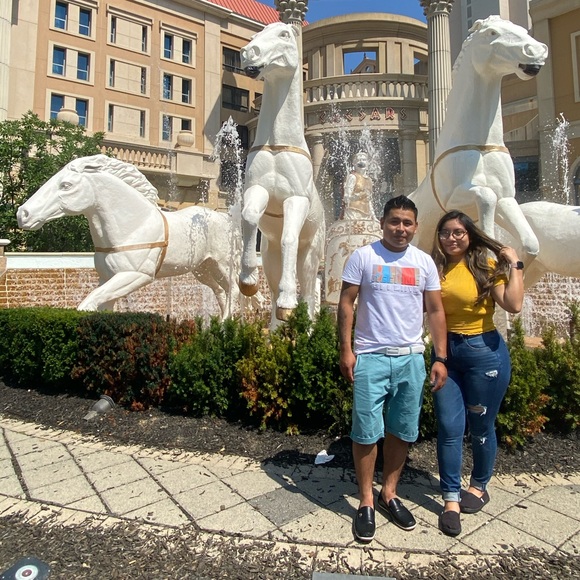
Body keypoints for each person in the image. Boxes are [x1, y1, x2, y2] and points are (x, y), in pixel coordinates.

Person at [338, 195, 448, 543]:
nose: (401, 228)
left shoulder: (424, 262)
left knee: (402, 429)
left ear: (416, 226)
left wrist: (440, 357)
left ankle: (389, 492)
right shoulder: (363, 257)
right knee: (365, 432)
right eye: (395, 221)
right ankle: (366, 500)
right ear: (382, 223)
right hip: (370, 357)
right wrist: (346, 350)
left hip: (411, 358)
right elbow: (346, 302)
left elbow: (435, 311)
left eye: (407, 223)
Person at [431, 210, 524, 537]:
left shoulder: (484, 265)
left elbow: (513, 304)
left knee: (481, 426)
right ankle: (451, 499)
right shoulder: (435, 266)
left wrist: (515, 264)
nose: (451, 238)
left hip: (483, 354)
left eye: (458, 232)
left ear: (470, 235)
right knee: (449, 426)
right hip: (445, 354)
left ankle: (480, 486)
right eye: (445, 232)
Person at [341, 151, 376, 221]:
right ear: (354, 163)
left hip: (366, 213)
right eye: (359, 160)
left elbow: (369, 200)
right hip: (353, 212)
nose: (361, 162)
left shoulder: (369, 180)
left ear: (368, 163)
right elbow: (346, 197)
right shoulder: (352, 177)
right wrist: (358, 196)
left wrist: (373, 216)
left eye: (364, 160)